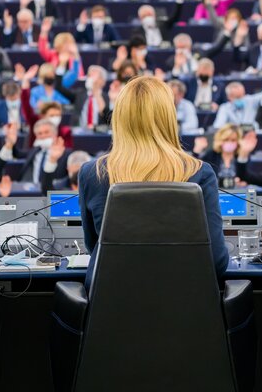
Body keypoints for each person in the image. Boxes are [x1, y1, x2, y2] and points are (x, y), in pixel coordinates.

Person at [79, 76, 228, 286]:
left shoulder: (92, 173)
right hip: (187, 308)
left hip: (110, 306)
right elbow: (217, 261)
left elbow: (94, 248)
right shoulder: (200, 173)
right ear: (168, 117)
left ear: (120, 117)